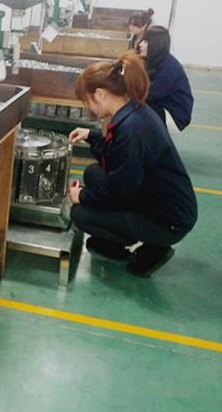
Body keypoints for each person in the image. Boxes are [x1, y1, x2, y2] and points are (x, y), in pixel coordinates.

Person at [68, 51, 197, 277]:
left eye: (87, 101)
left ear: (100, 94)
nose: (88, 108)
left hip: (168, 219)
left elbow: (120, 191)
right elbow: (117, 158)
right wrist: (92, 136)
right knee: (93, 173)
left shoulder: (132, 130)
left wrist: (83, 196)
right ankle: (121, 236)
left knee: (79, 214)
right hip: (159, 199)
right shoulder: (134, 111)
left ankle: (150, 248)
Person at [138, 25, 194, 131]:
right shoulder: (156, 60)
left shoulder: (170, 68)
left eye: (145, 41)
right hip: (161, 104)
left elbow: (150, 93)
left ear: (155, 44)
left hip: (174, 115)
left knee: (133, 111)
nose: (140, 44)